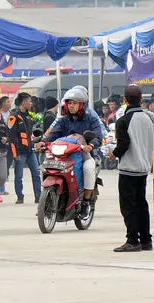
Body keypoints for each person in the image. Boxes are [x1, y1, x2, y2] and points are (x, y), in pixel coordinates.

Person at [38, 85, 105, 200]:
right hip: (64, 154)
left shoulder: (91, 119)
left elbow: (98, 136)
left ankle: (86, 201)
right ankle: (47, 200)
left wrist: (90, 145)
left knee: (88, 168)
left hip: (85, 154)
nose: (71, 106)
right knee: (45, 166)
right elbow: (54, 134)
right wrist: (43, 142)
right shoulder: (63, 120)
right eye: (69, 103)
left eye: (74, 103)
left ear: (81, 105)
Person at [111, 84, 154, 252]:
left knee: (128, 206)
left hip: (129, 168)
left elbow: (123, 144)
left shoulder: (123, 121)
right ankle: (146, 240)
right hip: (144, 168)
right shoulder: (149, 118)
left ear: (125, 100)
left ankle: (132, 240)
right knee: (141, 204)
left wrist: (113, 154)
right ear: (141, 100)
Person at [8, 92, 42, 205]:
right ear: (24, 102)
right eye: (29, 101)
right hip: (19, 151)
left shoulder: (28, 115)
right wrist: (15, 153)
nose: (31, 103)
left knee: (36, 173)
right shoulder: (14, 116)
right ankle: (19, 197)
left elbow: (29, 133)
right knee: (19, 175)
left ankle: (38, 195)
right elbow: (11, 136)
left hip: (30, 150)